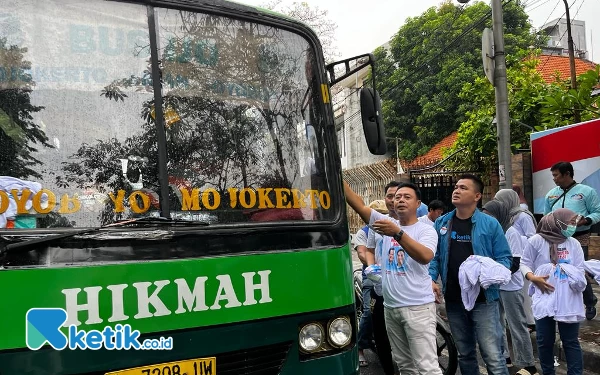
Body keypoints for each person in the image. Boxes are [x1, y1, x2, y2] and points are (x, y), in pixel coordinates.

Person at [344, 180, 441, 375]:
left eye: (407, 197)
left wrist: (397, 233)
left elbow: (425, 256)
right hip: (391, 308)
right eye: (397, 197)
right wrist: (336, 170)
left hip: (417, 308)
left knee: (427, 367)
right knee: (405, 365)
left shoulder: (425, 230)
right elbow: (359, 205)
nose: (401, 200)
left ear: (418, 203)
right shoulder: (387, 224)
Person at [429, 173, 512, 375]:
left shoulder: (490, 224)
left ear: (477, 196)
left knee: (492, 356)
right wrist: (431, 279)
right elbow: (435, 257)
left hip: (484, 299)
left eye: (463, 188)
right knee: (465, 354)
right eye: (456, 187)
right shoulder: (442, 223)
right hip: (454, 299)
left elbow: (505, 259)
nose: (456, 190)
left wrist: (487, 272)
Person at [521, 208, 586, 375]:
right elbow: (524, 263)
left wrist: (566, 274)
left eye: (574, 222)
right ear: (558, 222)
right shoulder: (536, 241)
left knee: (570, 341)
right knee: (544, 340)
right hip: (544, 296)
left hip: (568, 300)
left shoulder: (574, 243)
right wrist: (533, 277)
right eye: (571, 222)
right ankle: (548, 372)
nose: (573, 226)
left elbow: (579, 269)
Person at [482, 200, 538, 375]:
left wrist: (495, 272)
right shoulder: (492, 231)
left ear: (498, 214)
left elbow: (515, 262)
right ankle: (504, 356)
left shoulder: (510, 231)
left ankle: (527, 363)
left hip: (510, 286)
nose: (487, 218)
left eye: (489, 214)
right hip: (495, 284)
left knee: (517, 325)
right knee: (496, 323)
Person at [543, 161, 600, 320]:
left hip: (579, 237)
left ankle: (589, 301)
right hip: (558, 239)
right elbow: (546, 216)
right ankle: (562, 303)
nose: (554, 178)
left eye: (556, 175)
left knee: (578, 270)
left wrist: (585, 221)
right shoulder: (551, 194)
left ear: (567, 174)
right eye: (553, 175)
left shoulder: (587, 192)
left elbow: (597, 212)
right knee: (560, 271)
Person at [365, 181, 401, 375]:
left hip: (404, 292)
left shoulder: (417, 225)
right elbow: (370, 250)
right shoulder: (376, 224)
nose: (393, 200)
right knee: (380, 335)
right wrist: (371, 267)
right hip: (380, 289)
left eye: (397, 196)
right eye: (389, 196)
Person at [495, 188, 538, 329]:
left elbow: (533, 238)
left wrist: (515, 238)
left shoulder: (522, 216)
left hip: (522, 259)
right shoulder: (503, 217)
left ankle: (530, 321)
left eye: (501, 201)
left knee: (524, 292)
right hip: (509, 256)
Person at [354, 200, 387, 367]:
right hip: (371, 276)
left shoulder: (391, 229)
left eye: (385, 213)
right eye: (379, 213)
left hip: (390, 276)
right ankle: (360, 346)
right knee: (369, 311)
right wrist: (373, 267)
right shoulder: (364, 233)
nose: (383, 216)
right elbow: (362, 252)